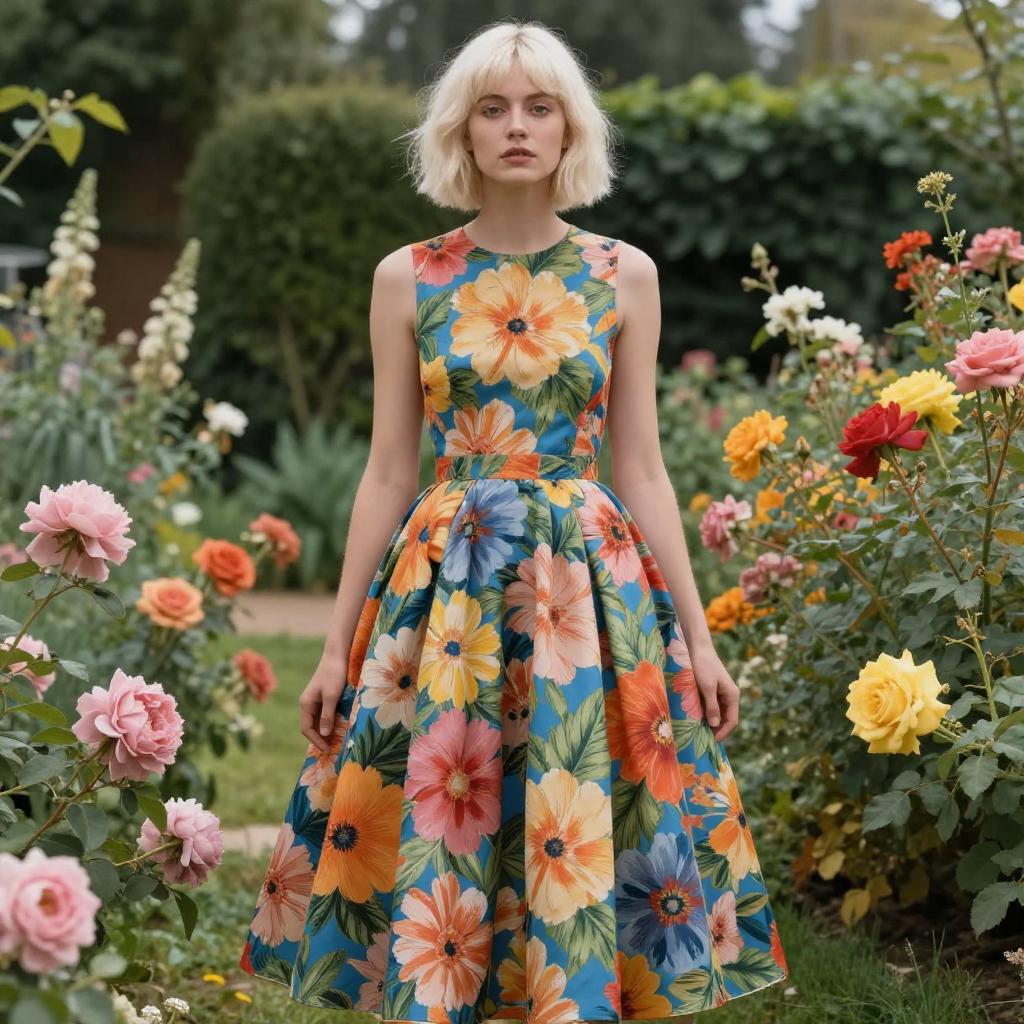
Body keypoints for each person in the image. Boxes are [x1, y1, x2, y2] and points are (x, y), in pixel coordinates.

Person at [238, 18, 788, 1022]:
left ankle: (572, 991)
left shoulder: (626, 275)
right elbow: (385, 470)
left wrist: (700, 638)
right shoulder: (408, 277)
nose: (517, 127)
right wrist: (334, 646)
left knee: (574, 798)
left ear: (570, 129)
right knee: (455, 787)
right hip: (450, 581)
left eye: (539, 107)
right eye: (492, 108)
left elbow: (644, 467)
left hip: (588, 589)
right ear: (463, 131)